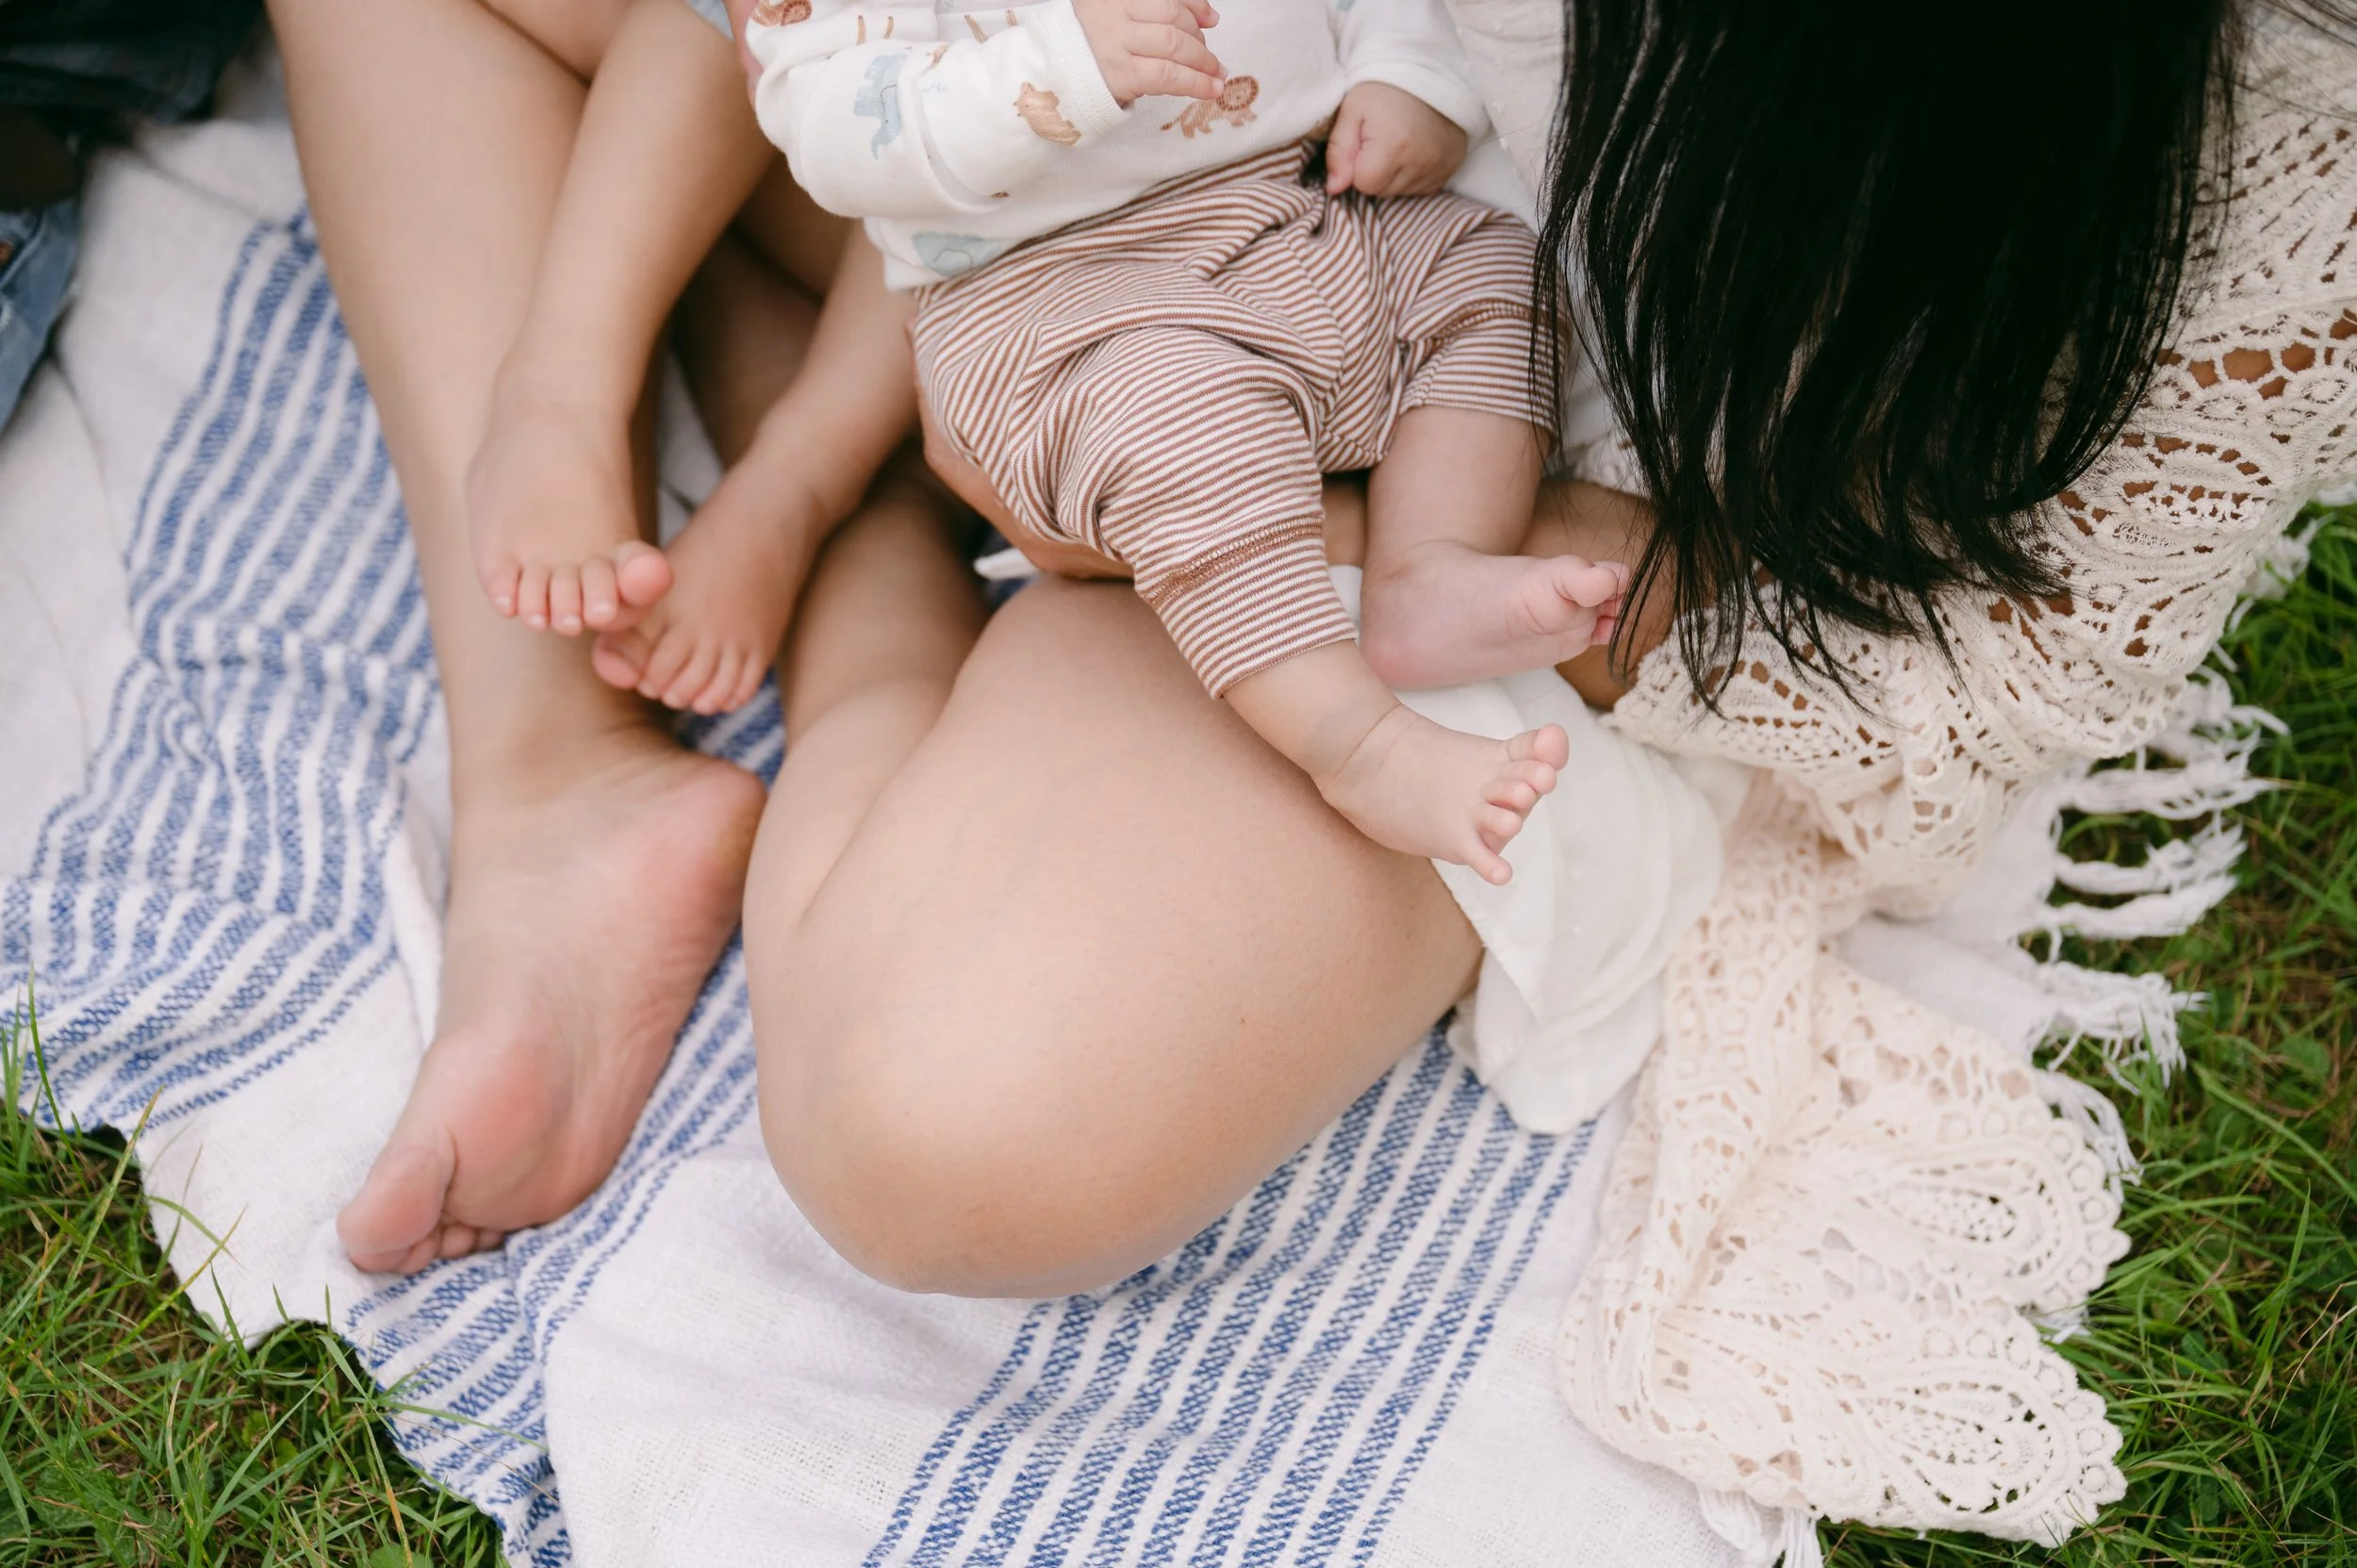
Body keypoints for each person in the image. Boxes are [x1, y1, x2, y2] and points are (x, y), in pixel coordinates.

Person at [271, 0, 2357, 1293]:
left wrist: (1277, 535)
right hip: (1066, 183)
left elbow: (1968, 603)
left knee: (951, 1130)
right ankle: (553, 773)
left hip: (1451, 477)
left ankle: (846, 530)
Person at [743, 0, 1627, 882]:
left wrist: (1408, 72)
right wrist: (1059, 69)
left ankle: (1431, 564)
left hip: (1294, 200)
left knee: (1489, 263)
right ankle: (1361, 744)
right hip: (1045, 291)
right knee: (1179, 414)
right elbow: (833, 128)